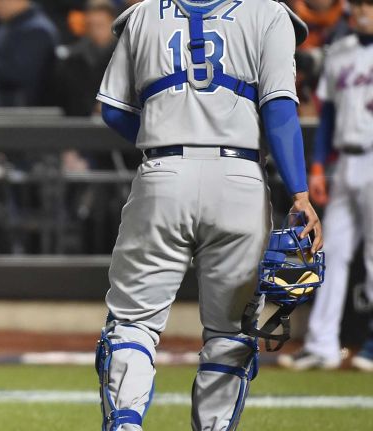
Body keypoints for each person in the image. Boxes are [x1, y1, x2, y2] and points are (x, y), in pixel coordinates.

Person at [93, 0, 322, 429]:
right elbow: (279, 109)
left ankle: (124, 423)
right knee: (231, 333)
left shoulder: (143, 13)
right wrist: (299, 192)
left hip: (162, 173)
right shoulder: (267, 12)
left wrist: (162, 138)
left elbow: (112, 109)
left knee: (133, 322)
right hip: (239, 179)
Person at [278, 0, 373, 372]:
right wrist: (316, 168)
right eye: (361, 4)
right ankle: (322, 344)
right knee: (330, 251)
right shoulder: (340, 53)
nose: (364, 11)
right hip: (345, 161)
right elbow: (329, 114)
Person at [0, 0, 59, 106]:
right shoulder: (6, 27)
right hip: (4, 106)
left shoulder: (37, 30)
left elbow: (19, 72)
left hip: (27, 111)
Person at [56, 0, 117, 117]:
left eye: (100, 25)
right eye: (90, 25)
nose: (95, 31)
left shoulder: (127, 57)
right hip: (79, 124)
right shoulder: (72, 59)